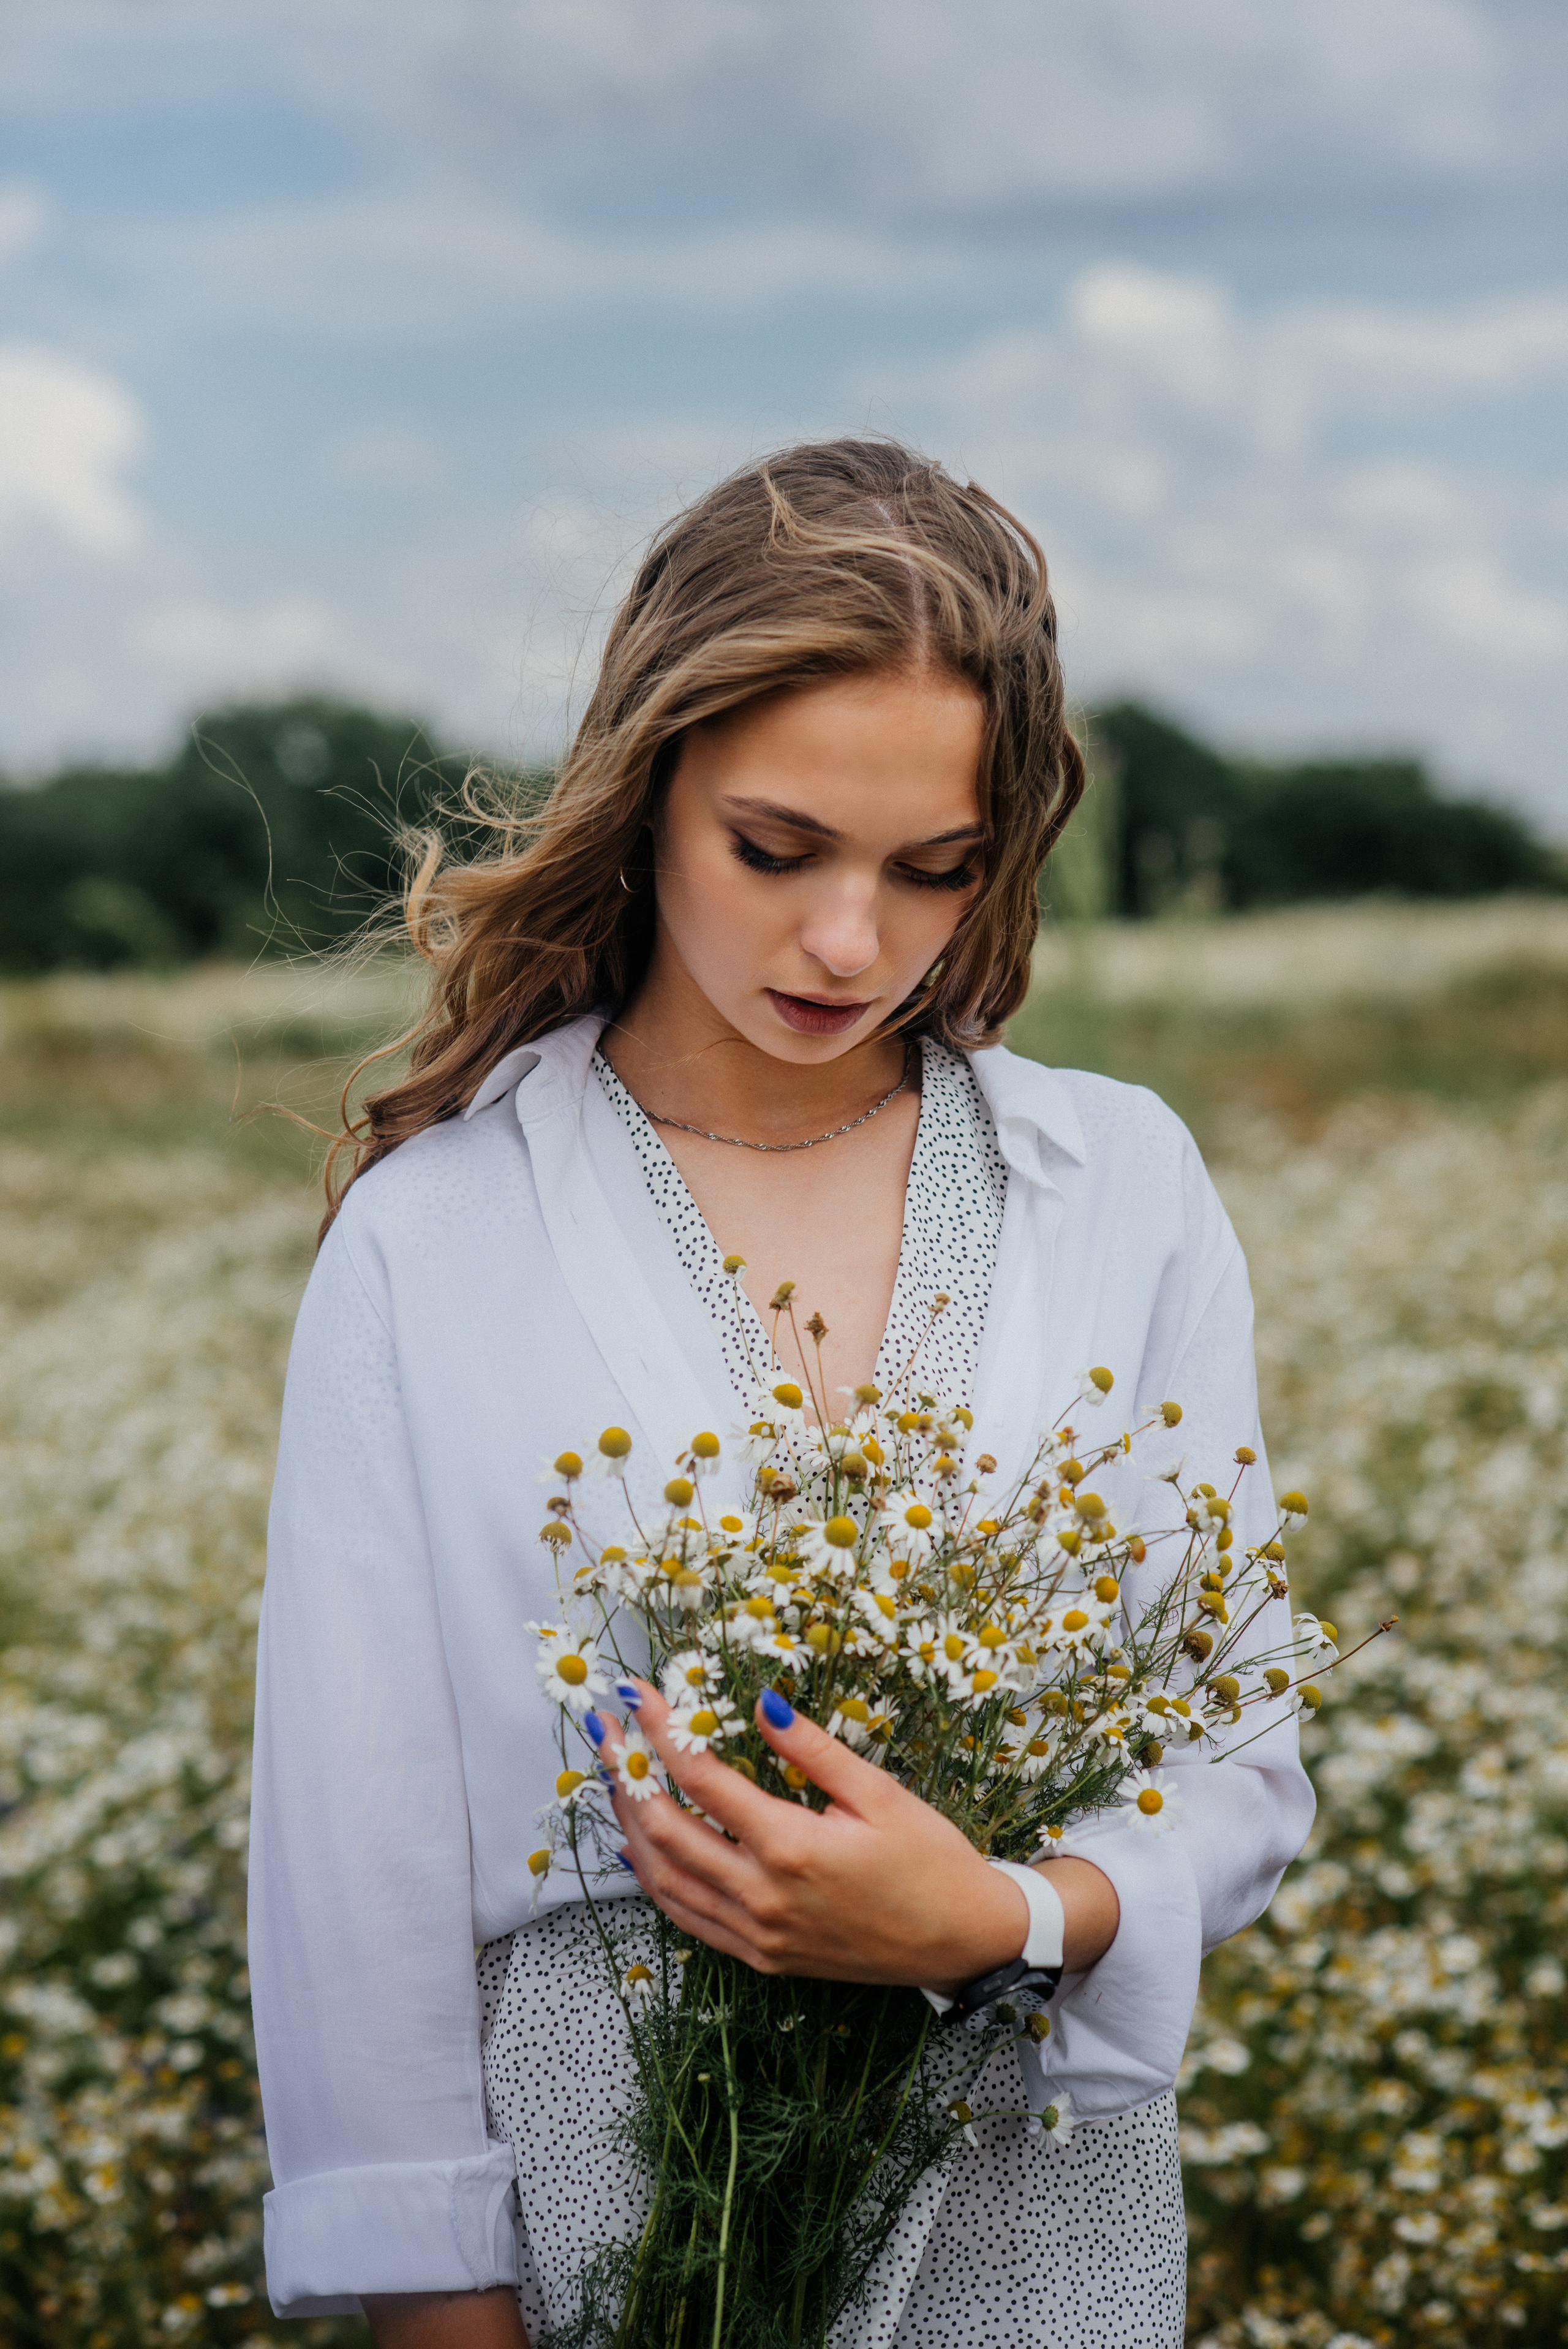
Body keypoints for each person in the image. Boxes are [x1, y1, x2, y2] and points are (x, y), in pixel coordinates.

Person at [248, 439, 1313, 2348]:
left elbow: (1236, 1752)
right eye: (777, 846)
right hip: (605, 2179)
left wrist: (997, 1916)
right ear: (649, 786)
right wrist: (442, 2314)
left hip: (1032, 2179)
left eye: (934, 870)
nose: (850, 941)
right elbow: (357, 1868)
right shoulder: (437, 1233)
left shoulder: (1123, 1184)